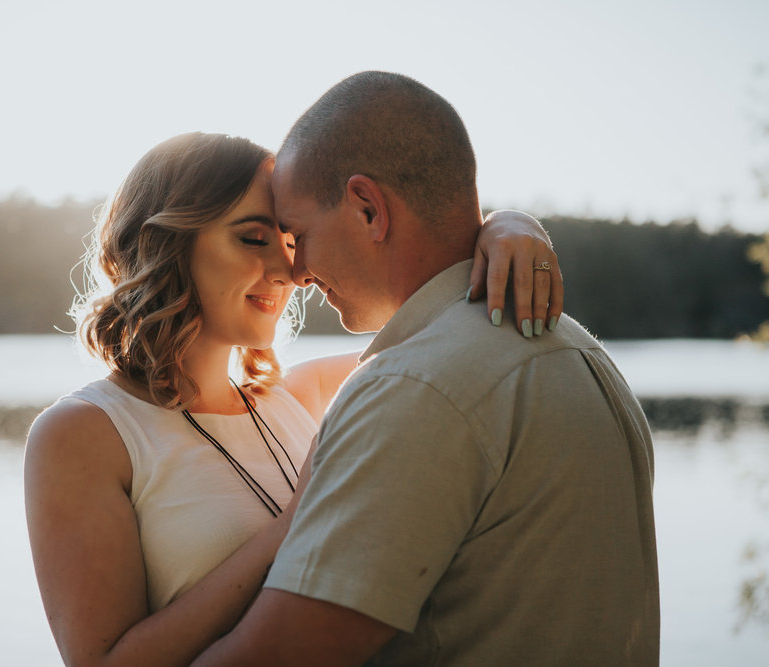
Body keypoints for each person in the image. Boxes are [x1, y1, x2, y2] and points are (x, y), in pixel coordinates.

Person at [24, 131, 562, 666]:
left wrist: (504, 225)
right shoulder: (85, 434)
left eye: (289, 242)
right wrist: (295, 521)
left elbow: (440, 339)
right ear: (164, 243)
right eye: (255, 240)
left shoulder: (300, 396)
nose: (289, 273)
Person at [194, 72, 660, 666]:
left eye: (299, 234)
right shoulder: (582, 354)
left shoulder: (412, 389)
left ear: (368, 210)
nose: (300, 271)